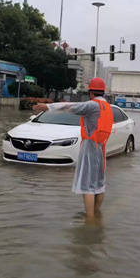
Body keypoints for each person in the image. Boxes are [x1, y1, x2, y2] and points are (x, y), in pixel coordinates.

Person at [32, 78, 113, 220]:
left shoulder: (93, 105)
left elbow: (70, 106)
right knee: (99, 185)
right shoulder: (107, 107)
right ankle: (96, 214)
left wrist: (48, 107)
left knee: (88, 186)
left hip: (90, 146)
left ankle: (90, 220)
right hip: (101, 147)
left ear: (91, 93)